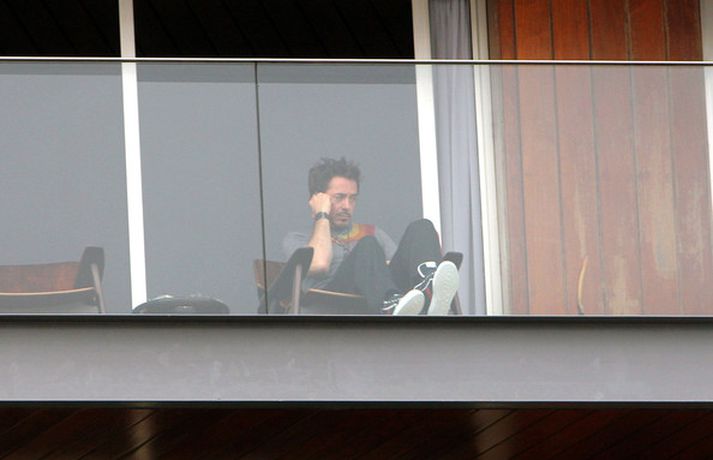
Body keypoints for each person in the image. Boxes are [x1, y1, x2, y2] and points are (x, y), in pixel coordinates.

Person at [283, 157, 459, 315]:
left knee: (422, 227)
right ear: (318, 198)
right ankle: (390, 304)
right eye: (339, 197)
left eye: (352, 198)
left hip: (373, 303)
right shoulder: (298, 238)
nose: (347, 205)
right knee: (367, 245)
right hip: (332, 306)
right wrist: (322, 214)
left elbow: (399, 270)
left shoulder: (375, 233)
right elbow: (319, 264)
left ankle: (430, 289)